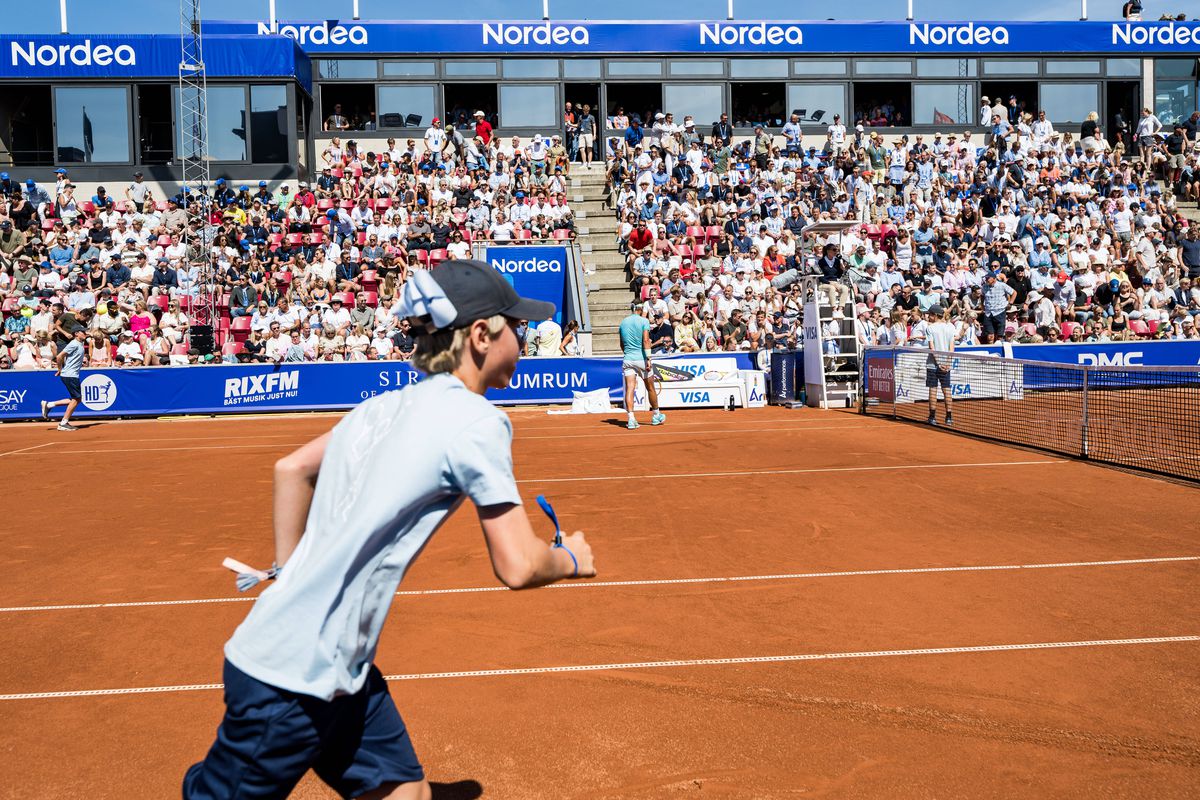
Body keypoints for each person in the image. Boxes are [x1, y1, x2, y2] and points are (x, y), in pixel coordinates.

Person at [183, 260, 596, 799]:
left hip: (339, 669)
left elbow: (293, 469)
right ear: (479, 336)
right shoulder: (478, 420)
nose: (523, 336)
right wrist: (571, 559)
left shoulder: (379, 408)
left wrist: (290, 575)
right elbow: (518, 565)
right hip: (289, 679)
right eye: (514, 326)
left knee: (406, 793)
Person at [617, 302, 664, 430]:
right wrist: (648, 358)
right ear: (640, 308)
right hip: (641, 359)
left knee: (630, 388)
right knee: (650, 388)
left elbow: (621, 344)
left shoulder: (623, 323)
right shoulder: (644, 321)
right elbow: (646, 340)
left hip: (628, 359)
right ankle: (656, 415)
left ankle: (631, 418)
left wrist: (628, 353)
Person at [41, 326, 88, 431]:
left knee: (75, 399)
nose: (85, 333)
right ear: (76, 333)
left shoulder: (80, 343)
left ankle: (49, 405)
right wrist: (60, 369)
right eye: (82, 332)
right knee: (76, 399)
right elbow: (59, 356)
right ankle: (63, 423)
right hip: (70, 375)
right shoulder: (74, 344)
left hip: (71, 374)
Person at [924, 305, 956, 427]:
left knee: (933, 389)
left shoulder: (930, 328)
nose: (928, 316)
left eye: (930, 314)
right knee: (946, 389)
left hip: (933, 364)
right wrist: (947, 363)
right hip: (945, 365)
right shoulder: (950, 327)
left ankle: (932, 417)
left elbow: (932, 348)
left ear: (935, 315)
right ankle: (949, 417)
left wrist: (938, 363)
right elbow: (951, 348)